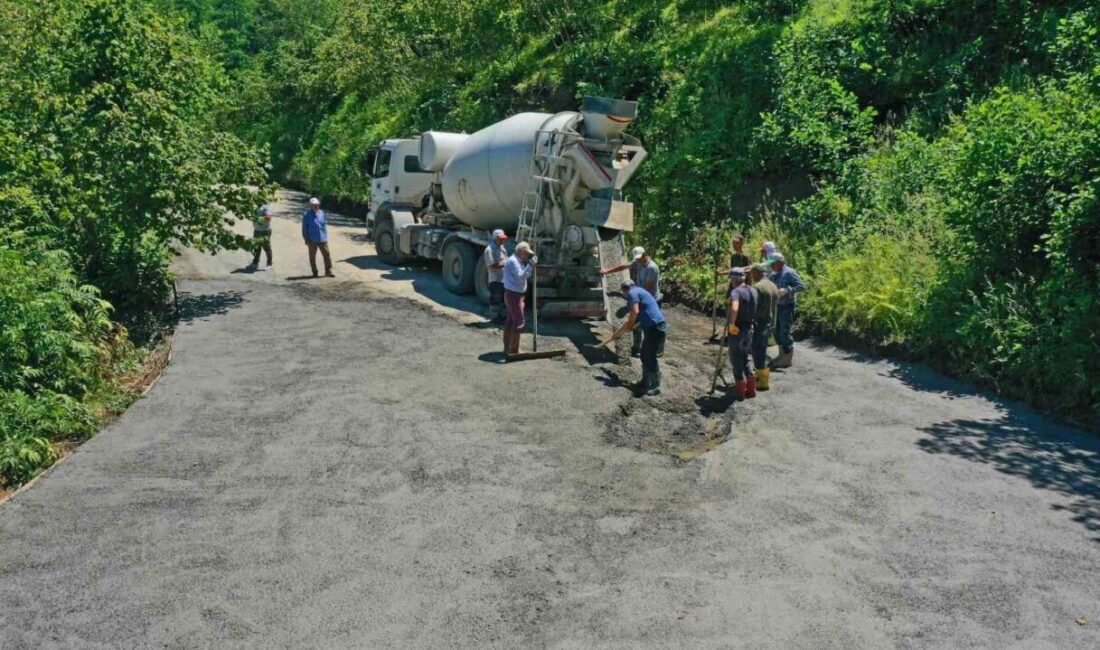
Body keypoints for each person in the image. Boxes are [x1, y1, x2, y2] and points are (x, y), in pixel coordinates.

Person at [604, 279, 667, 396]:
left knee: (649, 355)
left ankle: (655, 385)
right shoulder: (639, 291)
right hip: (654, 327)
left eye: (624, 294)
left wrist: (630, 324)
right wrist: (618, 333)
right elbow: (633, 318)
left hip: (655, 327)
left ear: (625, 290)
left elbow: (635, 311)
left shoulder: (632, 293)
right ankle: (644, 382)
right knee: (644, 354)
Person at [599, 246, 662, 356]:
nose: (637, 260)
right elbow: (623, 266)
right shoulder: (638, 262)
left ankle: (657, 350)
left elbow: (646, 289)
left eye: (639, 257)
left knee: (651, 326)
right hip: (640, 296)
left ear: (645, 254)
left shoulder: (652, 268)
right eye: (636, 258)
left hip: (651, 300)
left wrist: (632, 298)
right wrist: (607, 271)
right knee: (636, 326)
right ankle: (636, 349)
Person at [768, 253, 807, 369]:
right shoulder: (775, 274)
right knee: (776, 330)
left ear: (779, 262)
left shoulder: (789, 272)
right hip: (777, 306)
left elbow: (802, 286)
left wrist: (787, 290)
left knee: (784, 330)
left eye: (773, 264)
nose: (771, 266)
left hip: (787, 306)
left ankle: (787, 358)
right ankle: (781, 355)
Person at [726, 268, 758, 400]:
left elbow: (734, 308)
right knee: (747, 356)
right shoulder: (753, 290)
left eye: (732, 279)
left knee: (736, 357)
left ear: (735, 279)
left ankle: (740, 391)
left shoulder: (736, 292)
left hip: (738, 329)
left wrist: (732, 325)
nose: (731, 281)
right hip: (750, 327)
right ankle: (751, 390)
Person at [502, 241, 536, 356]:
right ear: (521, 252)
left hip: (514, 294)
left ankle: (507, 348)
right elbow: (521, 277)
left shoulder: (516, 261)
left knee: (511, 322)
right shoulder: (513, 262)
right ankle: (514, 350)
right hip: (514, 295)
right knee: (519, 323)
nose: (528, 257)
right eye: (527, 254)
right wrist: (530, 266)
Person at [749, 263, 778, 390]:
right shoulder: (773, 285)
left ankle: (761, 382)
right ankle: (762, 379)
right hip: (770, 323)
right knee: (762, 349)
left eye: (753, 274)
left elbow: (752, 306)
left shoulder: (758, 287)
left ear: (758, 273)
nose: (752, 277)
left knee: (757, 351)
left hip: (759, 323)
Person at [302, 197, 333, 278]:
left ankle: (328, 271)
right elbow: (304, 229)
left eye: (317, 205)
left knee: (327, 254)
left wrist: (325, 237)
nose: (317, 206)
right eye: (314, 205)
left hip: (322, 239)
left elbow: (324, 225)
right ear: (311, 206)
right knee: (312, 257)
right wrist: (306, 239)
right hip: (312, 240)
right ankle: (315, 272)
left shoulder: (322, 213)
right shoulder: (307, 215)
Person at [483, 229, 509, 323]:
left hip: (503, 278)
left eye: (503, 239)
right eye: (500, 239)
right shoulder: (489, 250)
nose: (503, 240)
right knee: (495, 298)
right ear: (495, 238)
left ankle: (502, 317)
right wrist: (507, 264)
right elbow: (492, 265)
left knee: (503, 298)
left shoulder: (502, 247)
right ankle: (494, 318)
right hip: (495, 279)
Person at [250, 204, 273, 268]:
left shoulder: (267, 206)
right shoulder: (255, 203)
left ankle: (269, 263)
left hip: (265, 230)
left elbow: (268, 218)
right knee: (257, 247)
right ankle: (255, 262)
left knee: (266, 247)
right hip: (256, 229)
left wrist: (257, 218)